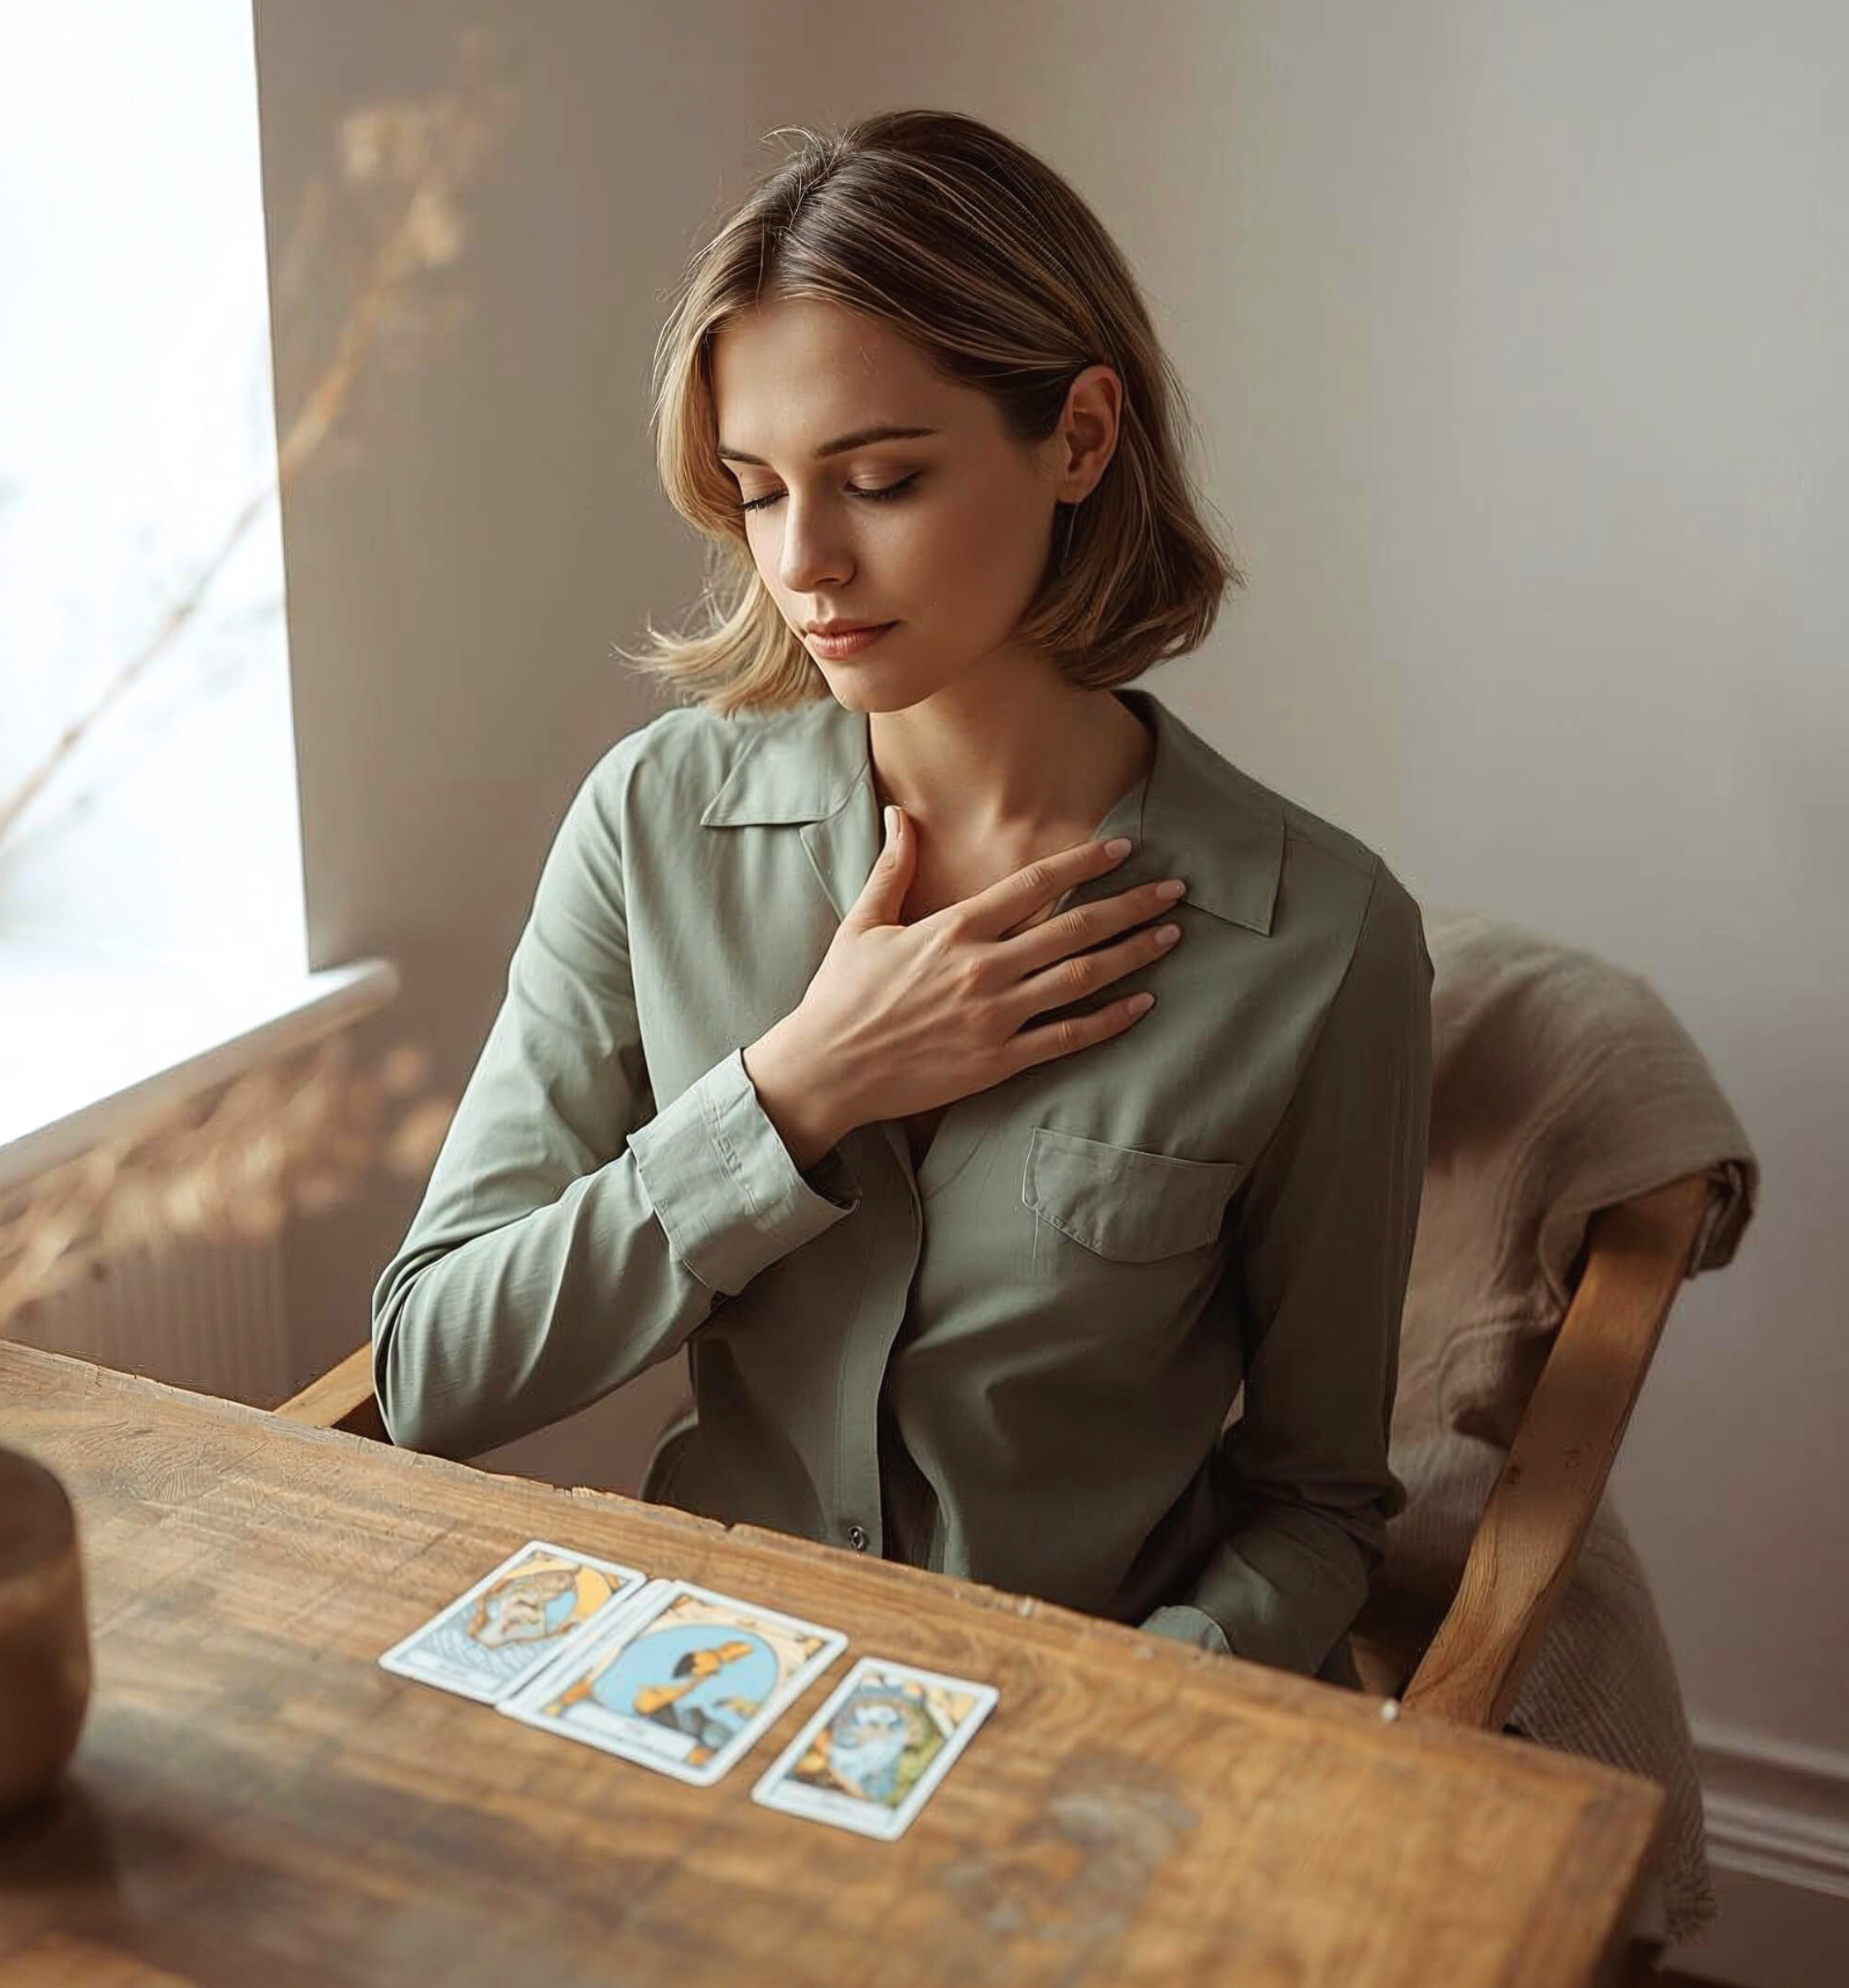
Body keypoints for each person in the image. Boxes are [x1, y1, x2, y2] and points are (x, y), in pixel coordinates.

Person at [371, 109, 1432, 1690]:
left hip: (1078, 1738)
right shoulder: (654, 823)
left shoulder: (1320, 945)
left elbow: (1316, 1509)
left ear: (1079, 438)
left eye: (877, 479)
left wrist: (1125, 1714)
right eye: (755, 489)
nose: (803, 564)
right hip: (696, 1687)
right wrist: (797, 1092)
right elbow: (430, 1373)